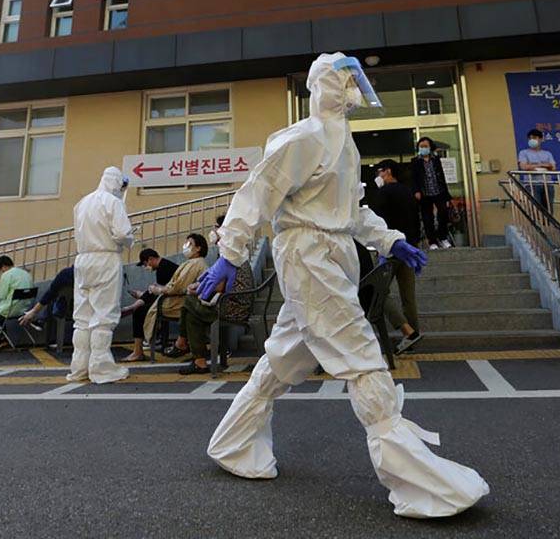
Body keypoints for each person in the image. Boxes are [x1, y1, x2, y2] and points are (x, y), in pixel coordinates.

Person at [196, 51, 488, 518]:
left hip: (331, 252)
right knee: (360, 354)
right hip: (308, 254)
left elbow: (352, 210)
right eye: (346, 79)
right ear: (326, 85)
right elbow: (257, 191)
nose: (354, 89)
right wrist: (230, 254)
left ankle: (233, 443)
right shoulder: (304, 137)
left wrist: (390, 240)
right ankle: (419, 483)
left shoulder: (343, 143)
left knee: (286, 355)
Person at [69, 166, 135, 384]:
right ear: (116, 182)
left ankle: (79, 368)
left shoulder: (82, 203)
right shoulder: (113, 202)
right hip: (106, 259)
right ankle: (101, 369)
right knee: (104, 316)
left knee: (83, 317)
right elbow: (123, 233)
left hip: (82, 260)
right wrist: (128, 241)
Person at [370, 159, 425, 353]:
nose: (378, 176)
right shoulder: (408, 191)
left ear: (388, 171)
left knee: (378, 292)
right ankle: (414, 335)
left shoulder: (384, 193)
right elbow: (416, 218)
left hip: (391, 248)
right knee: (408, 296)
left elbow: (376, 220)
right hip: (410, 247)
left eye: (380, 172)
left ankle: (407, 330)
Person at [178, 262, 255, 374]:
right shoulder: (241, 260)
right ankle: (190, 351)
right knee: (192, 315)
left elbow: (218, 287)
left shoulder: (229, 261)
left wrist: (197, 288)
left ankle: (184, 344)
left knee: (189, 302)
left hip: (229, 309)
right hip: (240, 307)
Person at [139, 233, 208, 356]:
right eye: (185, 243)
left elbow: (178, 287)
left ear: (198, 248)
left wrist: (160, 290)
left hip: (180, 302)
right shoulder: (193, 262)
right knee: (146, 306)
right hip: (180, 299)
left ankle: (141, 348)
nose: (186, 246)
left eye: (190, 244)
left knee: (143, 309)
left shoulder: (195, 263)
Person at [120, 248, 180, 362]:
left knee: (139, 312)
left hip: (172, 303)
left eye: (145, 264)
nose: (145, 267)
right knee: (144, 301)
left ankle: (138, 351)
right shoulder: (165, 266)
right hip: (170, 299)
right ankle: (133, 307)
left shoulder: (163, 269)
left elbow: (158, 293)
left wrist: (141, 297)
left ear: (150, 259)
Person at [411, 136, 453, 250]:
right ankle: (432, 241)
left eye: (426, 146)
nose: (423, 148)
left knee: (443, 213)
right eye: (421, 146)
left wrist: (447, 193)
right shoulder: (415, 161)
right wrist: (416, 191)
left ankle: (443, 237)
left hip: (438, 191)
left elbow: (441, 176)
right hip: (425, 193)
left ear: (430, 147)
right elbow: (414, 178)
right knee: (427, 218)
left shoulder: (436, 159)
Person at [19, 264, 75, 346]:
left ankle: (41, 321)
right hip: (89, 309)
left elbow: (50, 293)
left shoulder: (67, 273)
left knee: (52, 299)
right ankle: (40, 320)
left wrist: (34, 311)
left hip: (68, 309)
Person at [517, 128, 557, 211]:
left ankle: (548, 224)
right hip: (532, 185)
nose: (532, 140)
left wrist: (533, 166)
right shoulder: (523, 153)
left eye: (534, 138)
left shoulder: (547, 153)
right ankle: (537, 224)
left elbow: (553, 168)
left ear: (541, 139)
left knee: (548, 209)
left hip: (547, 184)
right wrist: (543, 165)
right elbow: (524, 167)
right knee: (535, 209)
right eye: (530, 138)